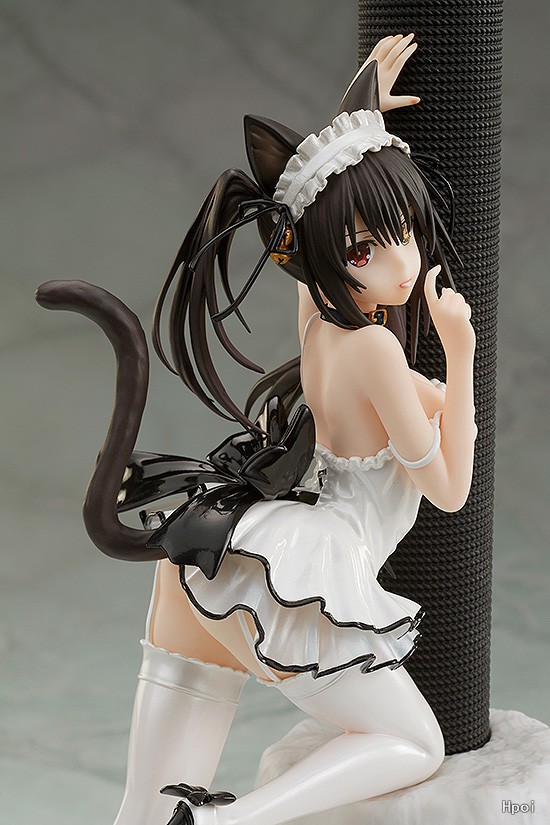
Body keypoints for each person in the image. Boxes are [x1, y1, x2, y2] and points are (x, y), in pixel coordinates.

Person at [37, 34, 477, 825]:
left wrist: (362, 108)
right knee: (417, 744)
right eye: (367, 249)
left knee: (144, 806)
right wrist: (461, 350)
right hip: (301, 575)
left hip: (217, 558)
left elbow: (313, 207)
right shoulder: (377, 348)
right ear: (330, 257)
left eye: (407, 231)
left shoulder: (320, 319)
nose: (403, 264)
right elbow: (448, 489)